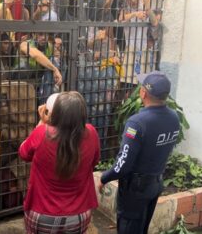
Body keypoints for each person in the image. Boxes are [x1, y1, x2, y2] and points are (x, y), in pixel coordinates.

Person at [98, 71, 180, 234]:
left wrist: (104, 178)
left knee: (129, 229)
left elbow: (123, 164)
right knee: (142, 228)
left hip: (135, 190)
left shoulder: (137, 123)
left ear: (143, 92)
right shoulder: (174, 117)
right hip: (155, 183)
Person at [19, 91, 100, 234]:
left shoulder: (42, 133)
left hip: (42, 213)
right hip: (79, 214)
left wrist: (42, 123)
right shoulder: (91, 133)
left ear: (55, 113)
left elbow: (23, 153)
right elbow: (94, 162)